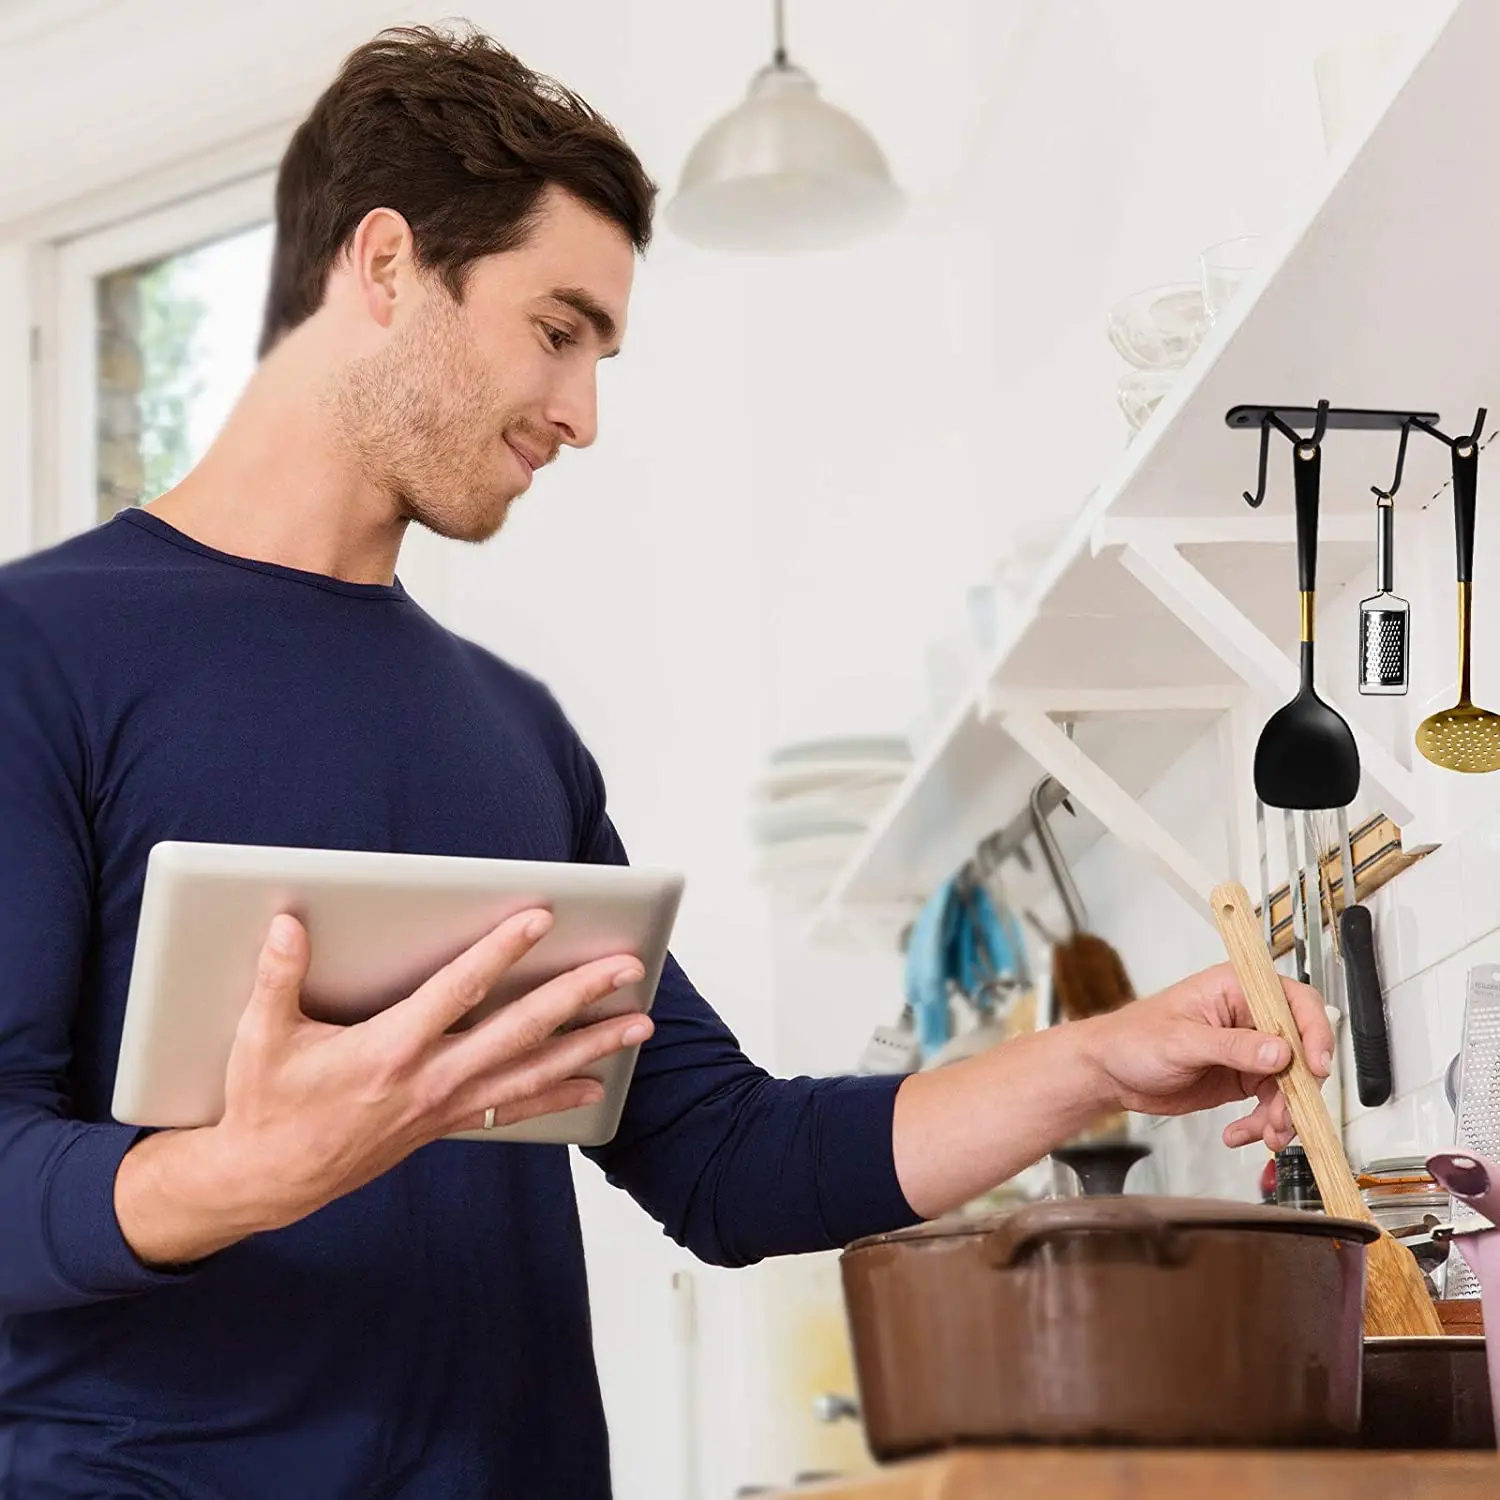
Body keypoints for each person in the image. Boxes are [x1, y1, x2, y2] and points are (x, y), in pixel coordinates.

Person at [0, 24, 1332, 1500]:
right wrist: (241, 1172)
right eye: (557, 330)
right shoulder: (37, 655)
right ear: (387, 269)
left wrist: (1099, 1059)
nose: (580, 414)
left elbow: (725, 1157)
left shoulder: (512, 736)